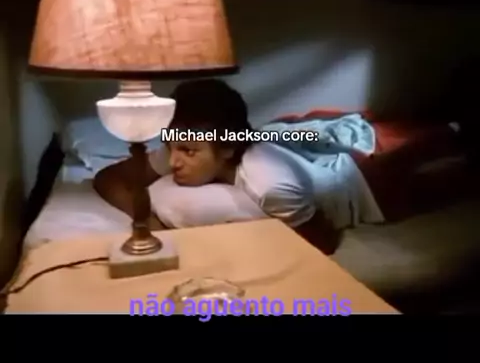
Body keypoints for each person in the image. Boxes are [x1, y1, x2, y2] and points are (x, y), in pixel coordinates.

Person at [93, 78, 341, 254]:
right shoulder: (183, 144)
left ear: (227, 148)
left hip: (348, 176)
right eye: (170, 146)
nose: (172, 162)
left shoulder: (272, 186)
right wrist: (146, 218)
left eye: (188, 151)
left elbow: (324, 244)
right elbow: (107, 178)